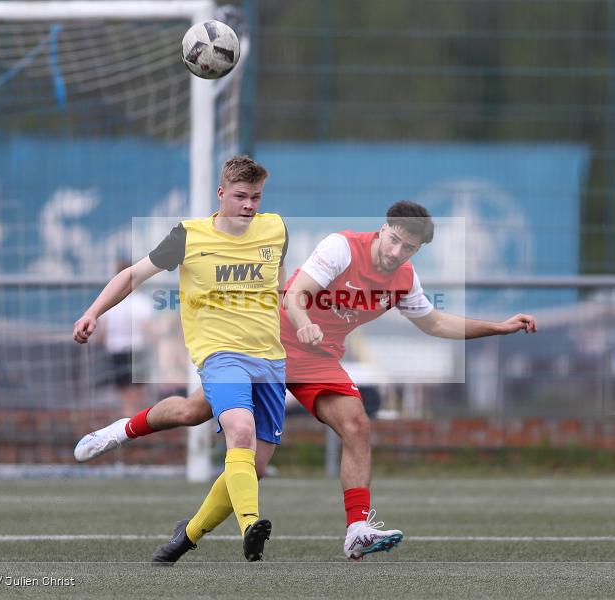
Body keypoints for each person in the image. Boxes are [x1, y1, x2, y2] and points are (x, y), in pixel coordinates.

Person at [76, 200, 537, 561]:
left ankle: (356, 529)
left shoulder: (404, 278)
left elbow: (434, 324)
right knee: (191, 412)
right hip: (269, 344)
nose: (397, 252)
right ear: (383, 230)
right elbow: (295, 293)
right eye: (394, 240)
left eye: (409, 248)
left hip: (317, 361)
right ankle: (122, 429)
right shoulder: (341, 247)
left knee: (353, 426)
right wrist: (304, 322)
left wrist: (497, 326)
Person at [73, 156, 288, 564]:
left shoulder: (275, 228)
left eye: (255, 197)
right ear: (221, 194)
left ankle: (184, 536)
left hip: (270, 359)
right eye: (240, 196)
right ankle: (250, 526)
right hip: (219, 354)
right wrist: (93, 312)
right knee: (239, 431)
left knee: (224, 442)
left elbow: (279, 286)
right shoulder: (189, 236)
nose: (249, 205)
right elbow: (131, 276)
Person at [99, 260, 154, 416]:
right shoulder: (141, 301)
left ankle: (127, 421)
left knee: (125, 395)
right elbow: (147, 328)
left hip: (116, 350)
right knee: (137, 393)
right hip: (137, 349)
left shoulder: (109, 301)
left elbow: (102, 333)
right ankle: (134, 423)